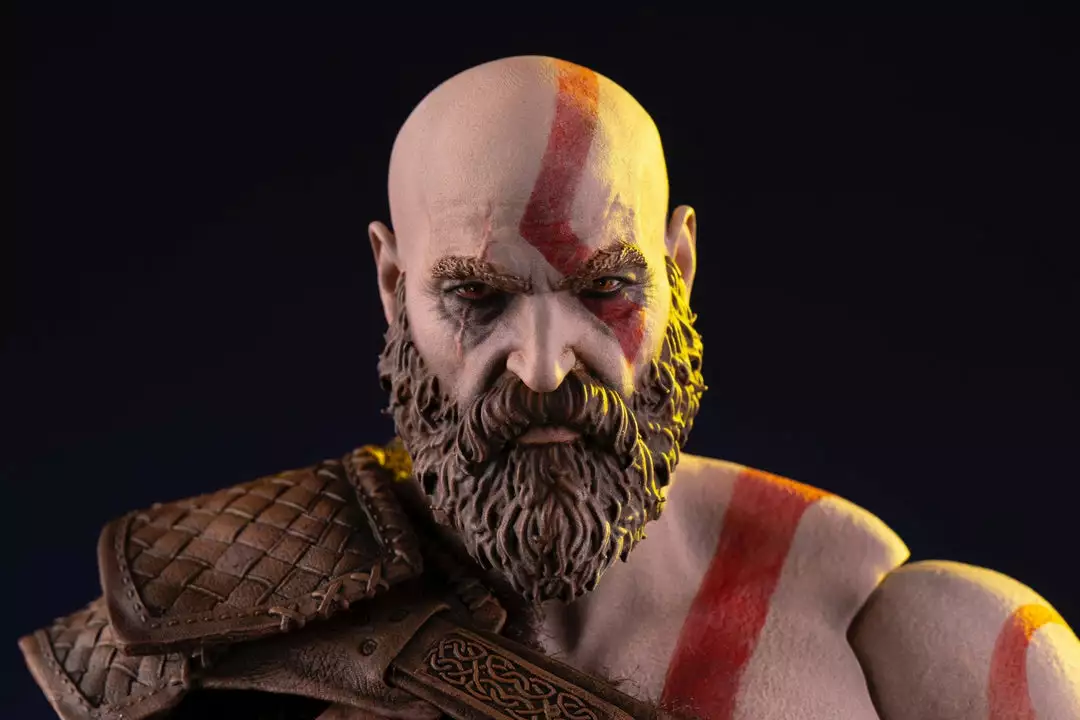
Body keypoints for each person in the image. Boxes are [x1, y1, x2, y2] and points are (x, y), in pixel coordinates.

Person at [20, 55, 1079, 720]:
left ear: (679, 272)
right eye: (476, 297)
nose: (540, 365)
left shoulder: (919, 652)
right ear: (392, 287)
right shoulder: (195, 640)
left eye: (605, 289)